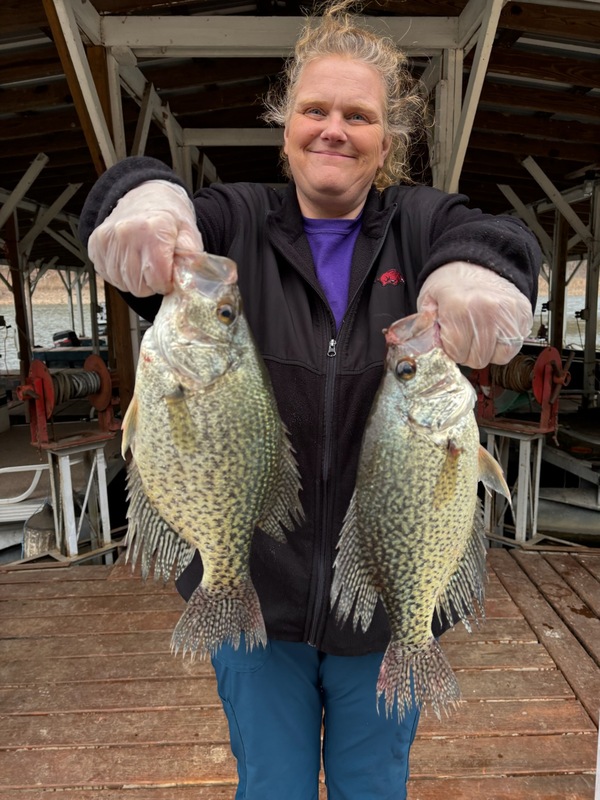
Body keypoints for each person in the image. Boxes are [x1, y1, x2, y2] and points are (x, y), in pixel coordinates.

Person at [79, 2, 541, 797]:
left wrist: (474, 273)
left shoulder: (422, 223)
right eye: (315, 110)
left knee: (373, 783)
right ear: (283, 123)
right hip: (256, 590)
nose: (334, 129)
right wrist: (144, 204)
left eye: (358, 116)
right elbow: (139, 187)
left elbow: (499, 240)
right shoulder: (235, 221)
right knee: (272, 783)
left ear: (387, 140)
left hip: (387, 605)